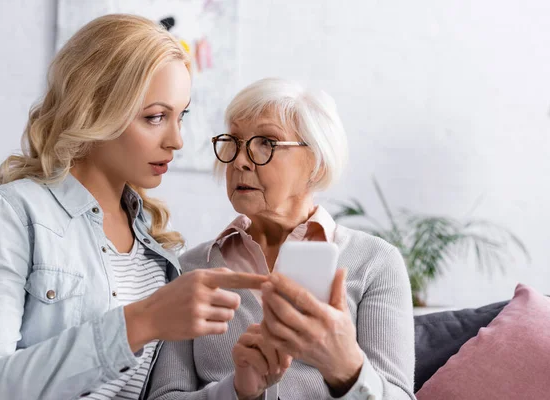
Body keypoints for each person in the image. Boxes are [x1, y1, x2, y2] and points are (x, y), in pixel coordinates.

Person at [0, 14, 266, 400]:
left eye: (180, 116)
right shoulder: (13, 216)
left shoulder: (157, 248)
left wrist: (239, 389)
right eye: (155, 117)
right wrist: (139, 322)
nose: (177, 140)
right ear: (95, 108)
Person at [148, 78, 416, 400]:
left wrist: (346, 368)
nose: (240, 161)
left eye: (266, 142)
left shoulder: (375, 262)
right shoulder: (191, 269)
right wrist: (237, 392)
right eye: (233, 142)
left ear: (316, 162)